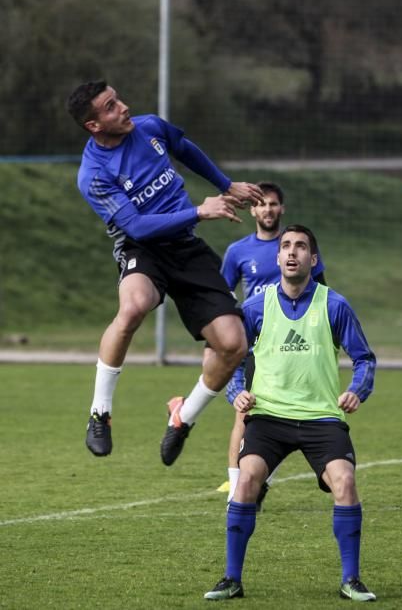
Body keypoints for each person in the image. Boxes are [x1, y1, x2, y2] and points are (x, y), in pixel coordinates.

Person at [66, 80, 264, 463]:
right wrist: (200, 210)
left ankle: (183, 417)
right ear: (94, 125)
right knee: (134, 306)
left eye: (118, 98)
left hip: (186, 247)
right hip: (144, 249)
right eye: (110, 107)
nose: (122, 107)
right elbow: (137, 227)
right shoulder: (93, 174)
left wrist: (226, 184)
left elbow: (184, 148)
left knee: (233, 344)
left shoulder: (150, 127)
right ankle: (100, 413)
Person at [204, 224, 377, 602]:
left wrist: (356, 390)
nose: (292, 252)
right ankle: (231, 579)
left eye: (301, 246)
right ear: (278, 257)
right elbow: (229, 357)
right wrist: (237, 392)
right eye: (285, 246)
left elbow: (364, 358)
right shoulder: (254, 307)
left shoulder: (334, 305)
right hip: (268, 417)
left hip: (321, 418)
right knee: (246, 480)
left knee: (344, 482)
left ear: (313, 260)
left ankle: (352, 580)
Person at [216, 182, 326, 508]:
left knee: (298, 408)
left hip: (294, 343)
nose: (267, 210)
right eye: (261, 204)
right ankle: (239, 490)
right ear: (252, 210)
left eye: (274, 204)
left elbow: (320, 293)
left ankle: (326, 463)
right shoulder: (238, 251)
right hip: (257, 345)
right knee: (245, 413)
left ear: (282, 209)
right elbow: (221, 297)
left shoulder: (297, 248)